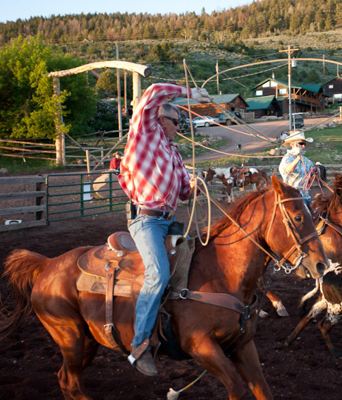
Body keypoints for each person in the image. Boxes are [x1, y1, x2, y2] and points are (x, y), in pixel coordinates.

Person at [118, 83, 212, 376]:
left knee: (195, 266)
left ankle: (179, 328)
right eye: (177, 122)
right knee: (157, 274)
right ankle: (140, 345)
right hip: (147, 220)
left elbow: (184, 191)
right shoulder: (144, 136)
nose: (179, 127)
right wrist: (189, 92)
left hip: (169, 220)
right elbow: (153, 92)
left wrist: (196, 186)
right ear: (162, 119)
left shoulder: (174, 154)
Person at [279, 130, 316, 206]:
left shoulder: (306, 160)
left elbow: (314, 169)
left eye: (304, 144)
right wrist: (298, 157)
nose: (303, 146)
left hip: (305, 196)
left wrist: (317, 169)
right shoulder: (287, 158)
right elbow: (289, 169)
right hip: (292, 198)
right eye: (301, 143)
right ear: (292, 144)